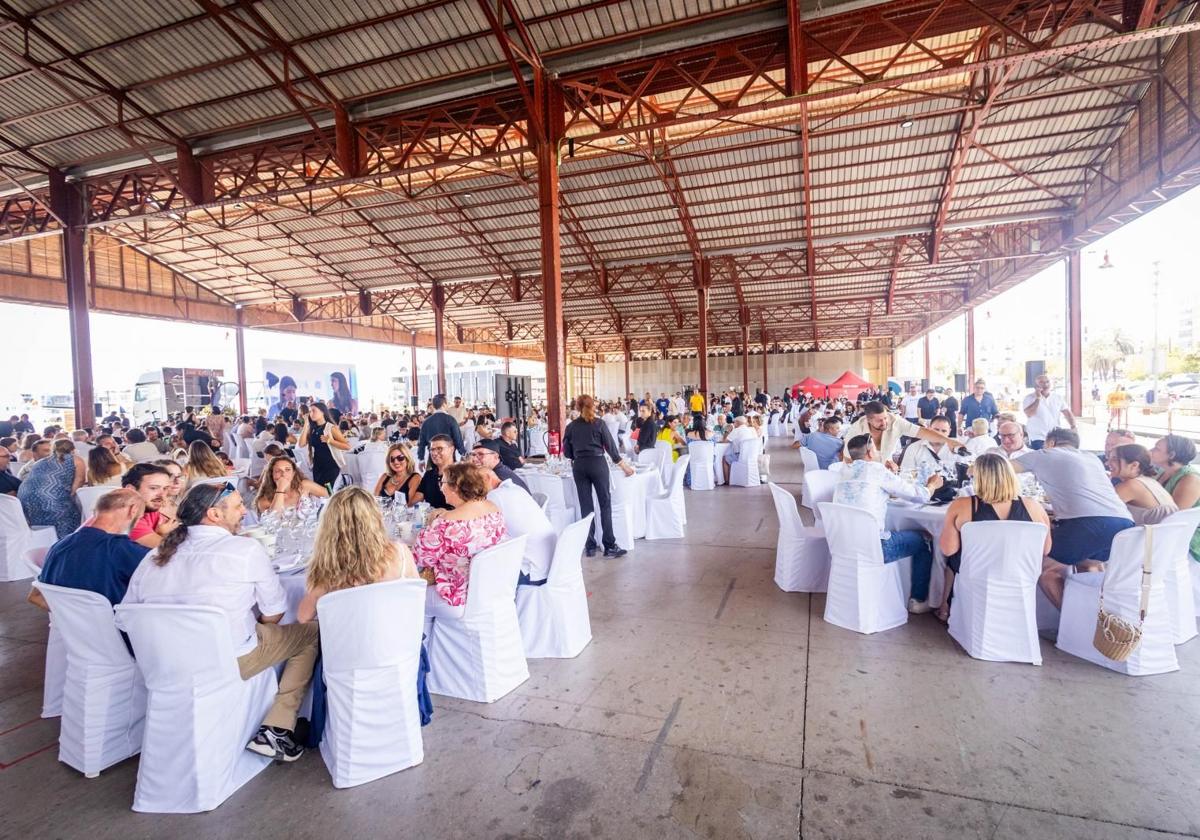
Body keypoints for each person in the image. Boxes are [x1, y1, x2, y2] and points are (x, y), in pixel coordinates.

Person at [123, 482, 318, 762]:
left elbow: (128, 614)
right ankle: (277, 728)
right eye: (238, 506)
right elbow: (274, 612)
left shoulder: (155, 555)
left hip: (161, 664)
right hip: (226, 660)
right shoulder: (244, 549)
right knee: (310, 632)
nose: (244, 511)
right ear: (214, 514)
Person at [1011, 428, 1135, 607]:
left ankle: (1075, 623)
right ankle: (1098, 622)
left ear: (1051, 443)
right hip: (1124, 524)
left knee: (1047, 571)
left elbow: (999, 469)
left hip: (1087, 524)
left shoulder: (1045, 454)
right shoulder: (1091, 458)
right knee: (1088, 564)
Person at [936, 453, 1052, 622]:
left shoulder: (962, 506)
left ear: (979, 478)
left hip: (978, 575)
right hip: (1019, 575)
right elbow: (1045, 549)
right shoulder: (1034, 507)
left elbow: (948, 549)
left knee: (952, 560)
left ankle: (945, 608)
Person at [834, 434, 942, 613]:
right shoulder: (877, 471)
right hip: (874, 548)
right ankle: (918, 599)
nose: (878, 452)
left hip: (841, 543)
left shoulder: (843, 471)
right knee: (924, 539)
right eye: (876, 449)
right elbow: (920, 496)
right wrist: (932, 485)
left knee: (899, 532)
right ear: (869, 453)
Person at [297, 486, 420, 623]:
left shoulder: (330, 570)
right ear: (375, 518)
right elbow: (416, 598)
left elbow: (303, 617)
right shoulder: (401, 553)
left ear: (329, 525)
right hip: (399, 640)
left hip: (348, 642)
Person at [28, 489, 149, 611]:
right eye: (140, 518)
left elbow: (35, 596)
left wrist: (73, 616)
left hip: (71, 627)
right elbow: (162, 570)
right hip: (115, 625)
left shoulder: (59, 546)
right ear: (132, 510)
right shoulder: (120, 548)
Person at [413, 462, 508, 616]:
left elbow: (419, 558)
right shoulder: (493, 509)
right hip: (489, 588)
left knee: (406, 598)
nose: (440, 487)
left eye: (442, 482)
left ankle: (424, 637)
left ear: (455, 486)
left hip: (456, 595)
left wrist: (431, 523)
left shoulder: (446, 523)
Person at [563, 395, 634, 557]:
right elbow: (611, 448)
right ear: (592, 406)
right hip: (597, 464)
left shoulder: (571, 427)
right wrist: (624, 466)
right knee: (605, 504)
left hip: (579, 466)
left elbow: (567, 452)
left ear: (577, 407)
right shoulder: (599, 424)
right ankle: (609, 545)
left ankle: (589, 546)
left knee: (586, 506)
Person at [479, 467, 556, 586]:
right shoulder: (516, 488)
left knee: (484, 572)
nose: (475, 489)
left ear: (487, 478)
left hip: (531, 571)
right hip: (550, 564)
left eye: (475, 483)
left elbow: (484, 533)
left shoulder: (494, 496)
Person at [842, 401, 964, 470]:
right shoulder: (856, 430)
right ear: (868, 420)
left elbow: (922, 431)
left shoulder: (896, 422)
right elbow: (848, 459)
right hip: (859, 473)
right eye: (879, 421)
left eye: (885, 418)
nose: (884, 423)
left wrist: (948, 440)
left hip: (886, 472)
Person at [18, 439, 85, 538]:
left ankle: (46, 543)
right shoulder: (75, 459)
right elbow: (79, 482)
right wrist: (70, 497)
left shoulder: (40, 461)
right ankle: (65, 545)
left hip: (24, 497)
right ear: (73, 449)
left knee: (43, 528)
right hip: (50, 497)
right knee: (71, 516)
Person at [1150, 434, 1200, 560]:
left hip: (1188, 537)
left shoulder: (1190, 479)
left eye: (1157, 448)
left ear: (1171, 455)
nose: (1151, 450)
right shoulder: (1162, 472)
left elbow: (1175, 517)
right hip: (1163, 529)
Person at [1110, 444, 1177, 523]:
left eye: (1114, 459)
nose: (1107, 463)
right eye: (1109, 458)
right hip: (1165, 534)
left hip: (1147, 535)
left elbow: (1099, 507)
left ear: (1134, 465)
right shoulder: (1151, 481)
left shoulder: (1131, 485)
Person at [122, 463, 178, 548]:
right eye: (153, 488)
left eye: (165, 488)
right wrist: (160, 534)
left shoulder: (150, 509)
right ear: (131, 489)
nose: (162, 495)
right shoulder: (127, 517)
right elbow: (170, 550)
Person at [299, 402, 350, 489]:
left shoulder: (331, 428)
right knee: (319, 492)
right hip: (317, 465)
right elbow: (301, 444)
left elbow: (347, 446)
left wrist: (330, 441)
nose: (311, 414)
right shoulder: (312, 429)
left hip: (330, 465)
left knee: (328, 492)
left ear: (322, 412)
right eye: (310, 411)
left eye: (314, 411)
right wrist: (306, 424)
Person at [255, 456, 328, 514]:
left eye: (287, 470)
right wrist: (280, 489)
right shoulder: (264, 500)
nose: (283, 474)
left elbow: (331, 496)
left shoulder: (304, 485)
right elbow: (274, 519)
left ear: (293, 473)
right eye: (278, 471)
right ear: (271, 475)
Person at [1022, 374, 1075, 449]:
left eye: (1047, 382)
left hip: (1055, 435)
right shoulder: (1029, 398)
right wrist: (1038, 399)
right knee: (1042, 458)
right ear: (1036, 386)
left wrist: (1073, 426)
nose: (1045, 384)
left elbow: (1067, 413)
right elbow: (1029, 414)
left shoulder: (1058, 397)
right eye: (1042, 382)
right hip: (1037, 436)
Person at [416, 395, 466, 463]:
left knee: (433, 473)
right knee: (449, 473)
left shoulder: (426, 421)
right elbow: (457, 438)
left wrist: (421, 459)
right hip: (448, 455)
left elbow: (421, 442)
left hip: (433, 456)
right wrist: (463, 453)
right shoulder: (451, 420)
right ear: (444, 404)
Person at [414, 434, 455, 509]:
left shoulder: (461, 474)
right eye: (432, 449)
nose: (434, 453)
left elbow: (468, 506)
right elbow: (417, 498)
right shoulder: (429, 475)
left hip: (454, 519)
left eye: (439, 449)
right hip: (430, 518)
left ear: (451, 449)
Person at [721, 415, 759, 485]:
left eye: (734, 422)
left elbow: (725, 440)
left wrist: (727, 431)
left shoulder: (737, 430)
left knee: (725, 458)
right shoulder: (750, 430)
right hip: (752, 456)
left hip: (741, 456)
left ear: (738, 423)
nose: (733, 424)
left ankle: (727, 480)